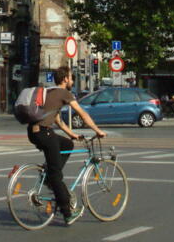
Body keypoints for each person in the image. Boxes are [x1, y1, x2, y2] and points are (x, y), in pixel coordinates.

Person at [26, 65, 106, 226]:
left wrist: (71, 134)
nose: (72, 81)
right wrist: (98, 131)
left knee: (67, 143)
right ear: (65, 79)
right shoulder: (64, 93)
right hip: (44, 133)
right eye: (71, 78)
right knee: (56, 175)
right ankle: (67, 213)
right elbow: (82, 114)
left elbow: (56, 118)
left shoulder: (49, 92)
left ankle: (50, 174)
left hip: (34, 132)